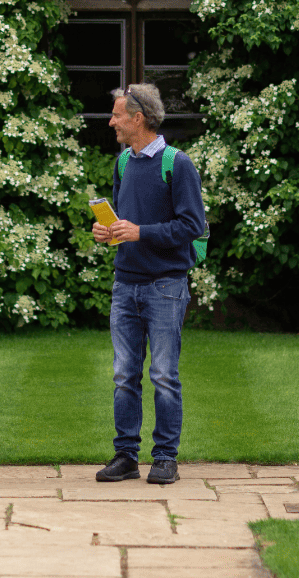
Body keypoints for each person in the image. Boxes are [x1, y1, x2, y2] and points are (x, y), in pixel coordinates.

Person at [92, 84, 205, 486]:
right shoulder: (123, 162)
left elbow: (193, 226)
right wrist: (109, 232)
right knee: (124, 374)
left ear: (138, 118)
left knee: (163, 375)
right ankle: (125, 456)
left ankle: (165, 458)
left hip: (165, 286)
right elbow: (124, 218)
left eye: (117, 115)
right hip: (126, 284)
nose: (112, 122)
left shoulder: (177, 164)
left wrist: (141, 232)